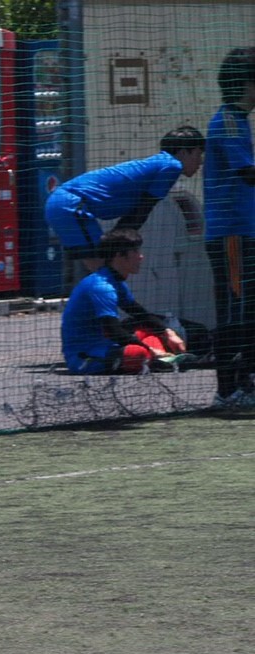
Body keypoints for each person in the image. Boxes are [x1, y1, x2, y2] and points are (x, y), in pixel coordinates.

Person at [44, 126, 206, 274]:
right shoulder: (172, 166)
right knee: (105, 270)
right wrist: (118, 241)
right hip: (71, 204)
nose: (201, 161)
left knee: (101, 269)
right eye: (198, 154)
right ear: (183, 152)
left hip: (63, 203)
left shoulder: (159, 163)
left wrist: (115, 240)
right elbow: (143, 209)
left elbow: (136, 213)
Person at [60, 228, 187, 375]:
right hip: (86, 356)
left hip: (107, 345)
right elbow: (112, 330)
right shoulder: (102, 287)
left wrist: (168, 333)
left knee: (151, 330)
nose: (141, 257)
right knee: (138, 353)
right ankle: (154, 357)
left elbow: (140, 314)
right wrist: (151, 349)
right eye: (135, 252)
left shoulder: (115, 281)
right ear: (119, 256)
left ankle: (156, 357)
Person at [204, 47, 255, 407]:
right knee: (234, 311)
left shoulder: (240, 120)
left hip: (243, 231)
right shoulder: (229, 122)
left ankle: (245, 381)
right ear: (248, 83)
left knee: (248, 310)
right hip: (231, 234)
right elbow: (248, 174)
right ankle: (227, 390)